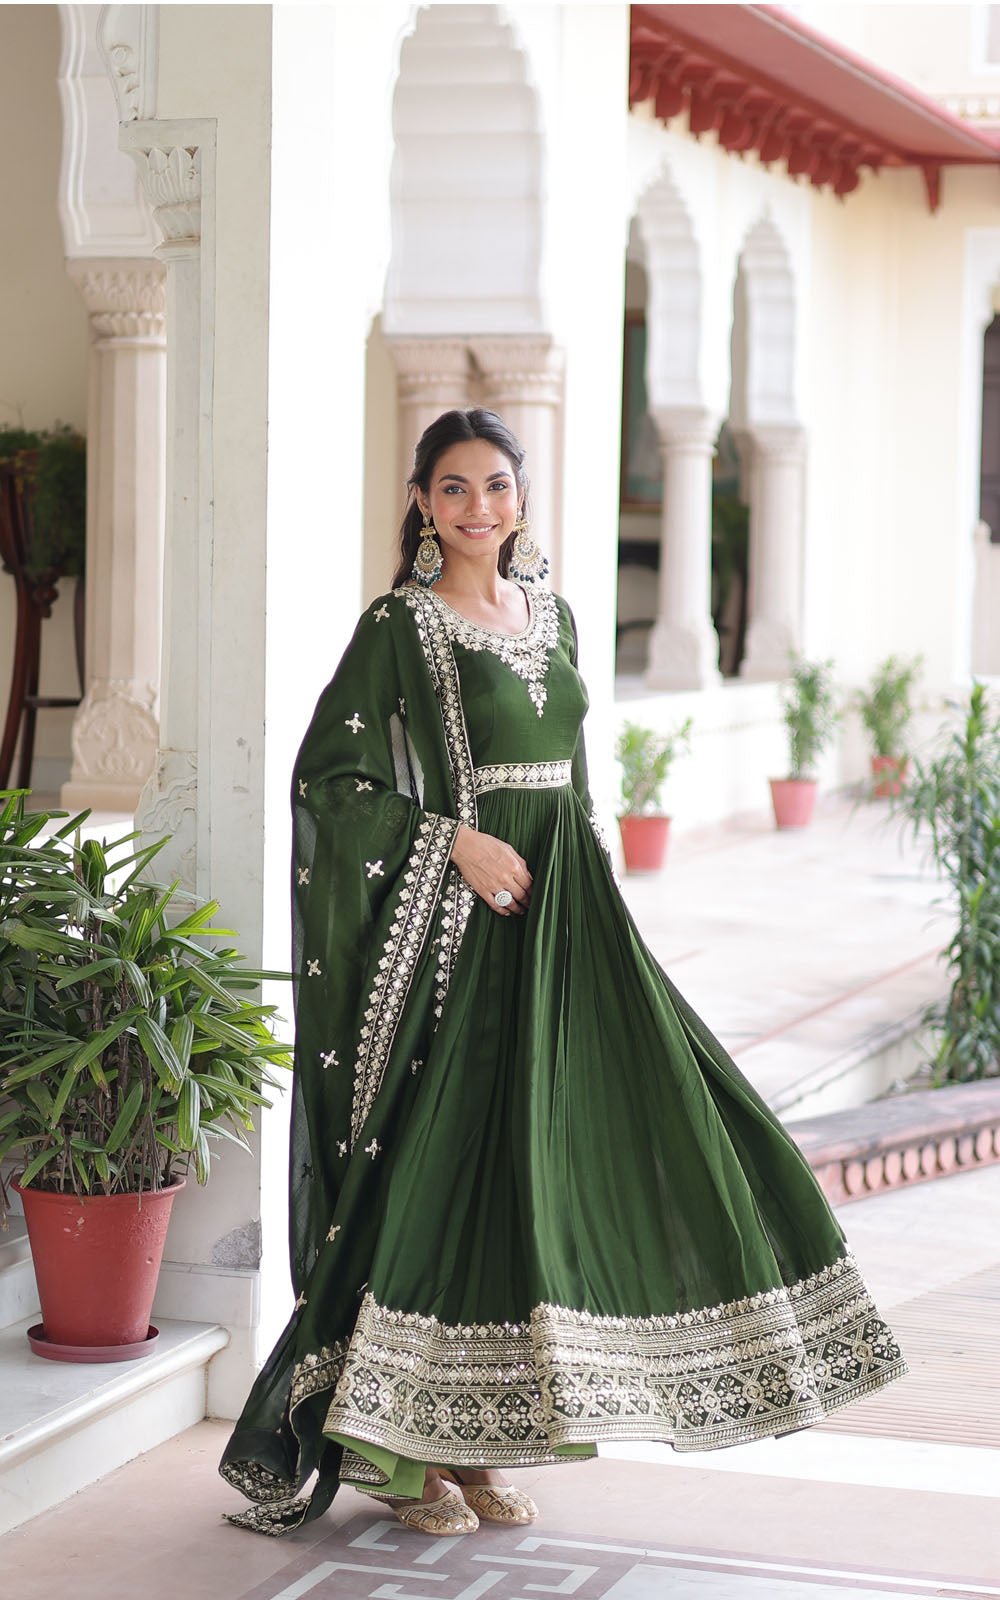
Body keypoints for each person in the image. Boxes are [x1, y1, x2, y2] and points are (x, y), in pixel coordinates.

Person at [220, 408, 905, 1538]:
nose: (477, 507)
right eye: (453, 489)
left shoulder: (558, 615)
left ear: (521, 498)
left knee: (549, 1171)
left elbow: (577, 783)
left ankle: (483, 1444)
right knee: (441, 1170)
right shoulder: (404, 623)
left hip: (565, 913)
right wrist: (453, 839)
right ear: (421, 503)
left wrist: (593, 911)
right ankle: (411, 1459)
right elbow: (328, 780)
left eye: (495, 486)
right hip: (459, 927)